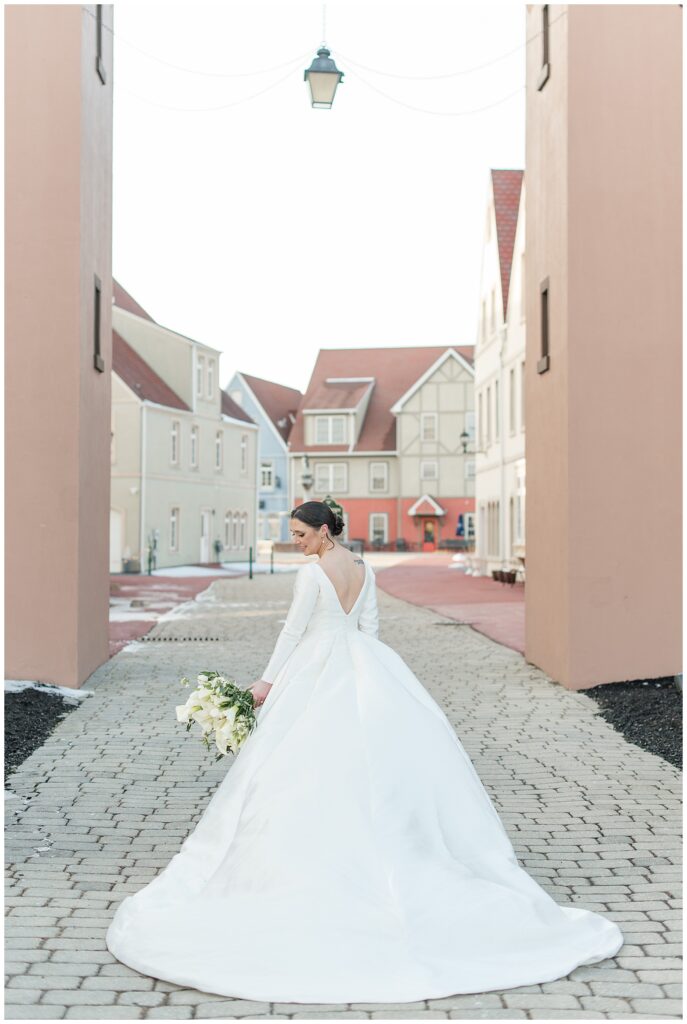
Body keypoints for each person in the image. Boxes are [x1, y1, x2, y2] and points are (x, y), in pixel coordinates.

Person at [105, 499, 624, 1003]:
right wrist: (371, 668)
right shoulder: (362, 569)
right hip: (367, 665)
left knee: (298, 765)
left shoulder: (311, 576)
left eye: (301, 535)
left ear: (323, 531)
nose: (296, 542)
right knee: (377, 757)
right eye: (293, 534)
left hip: (316, 665)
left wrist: (266, 682)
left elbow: (293, 631)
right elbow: (370, 629)